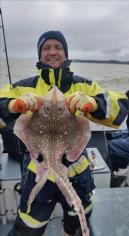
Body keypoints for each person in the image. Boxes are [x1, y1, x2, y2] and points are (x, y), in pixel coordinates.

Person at [0, 30, 129, 236]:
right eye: (46, 48)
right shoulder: (23, 87)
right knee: (29, 226)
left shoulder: (84, 85)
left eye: (58, 47)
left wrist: (95, 104)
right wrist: (12, 106)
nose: (53, 52)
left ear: (66, 54)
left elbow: (120, 107)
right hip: (37, 171)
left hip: (78, 173)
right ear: (39, 54)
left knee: (77, 220)